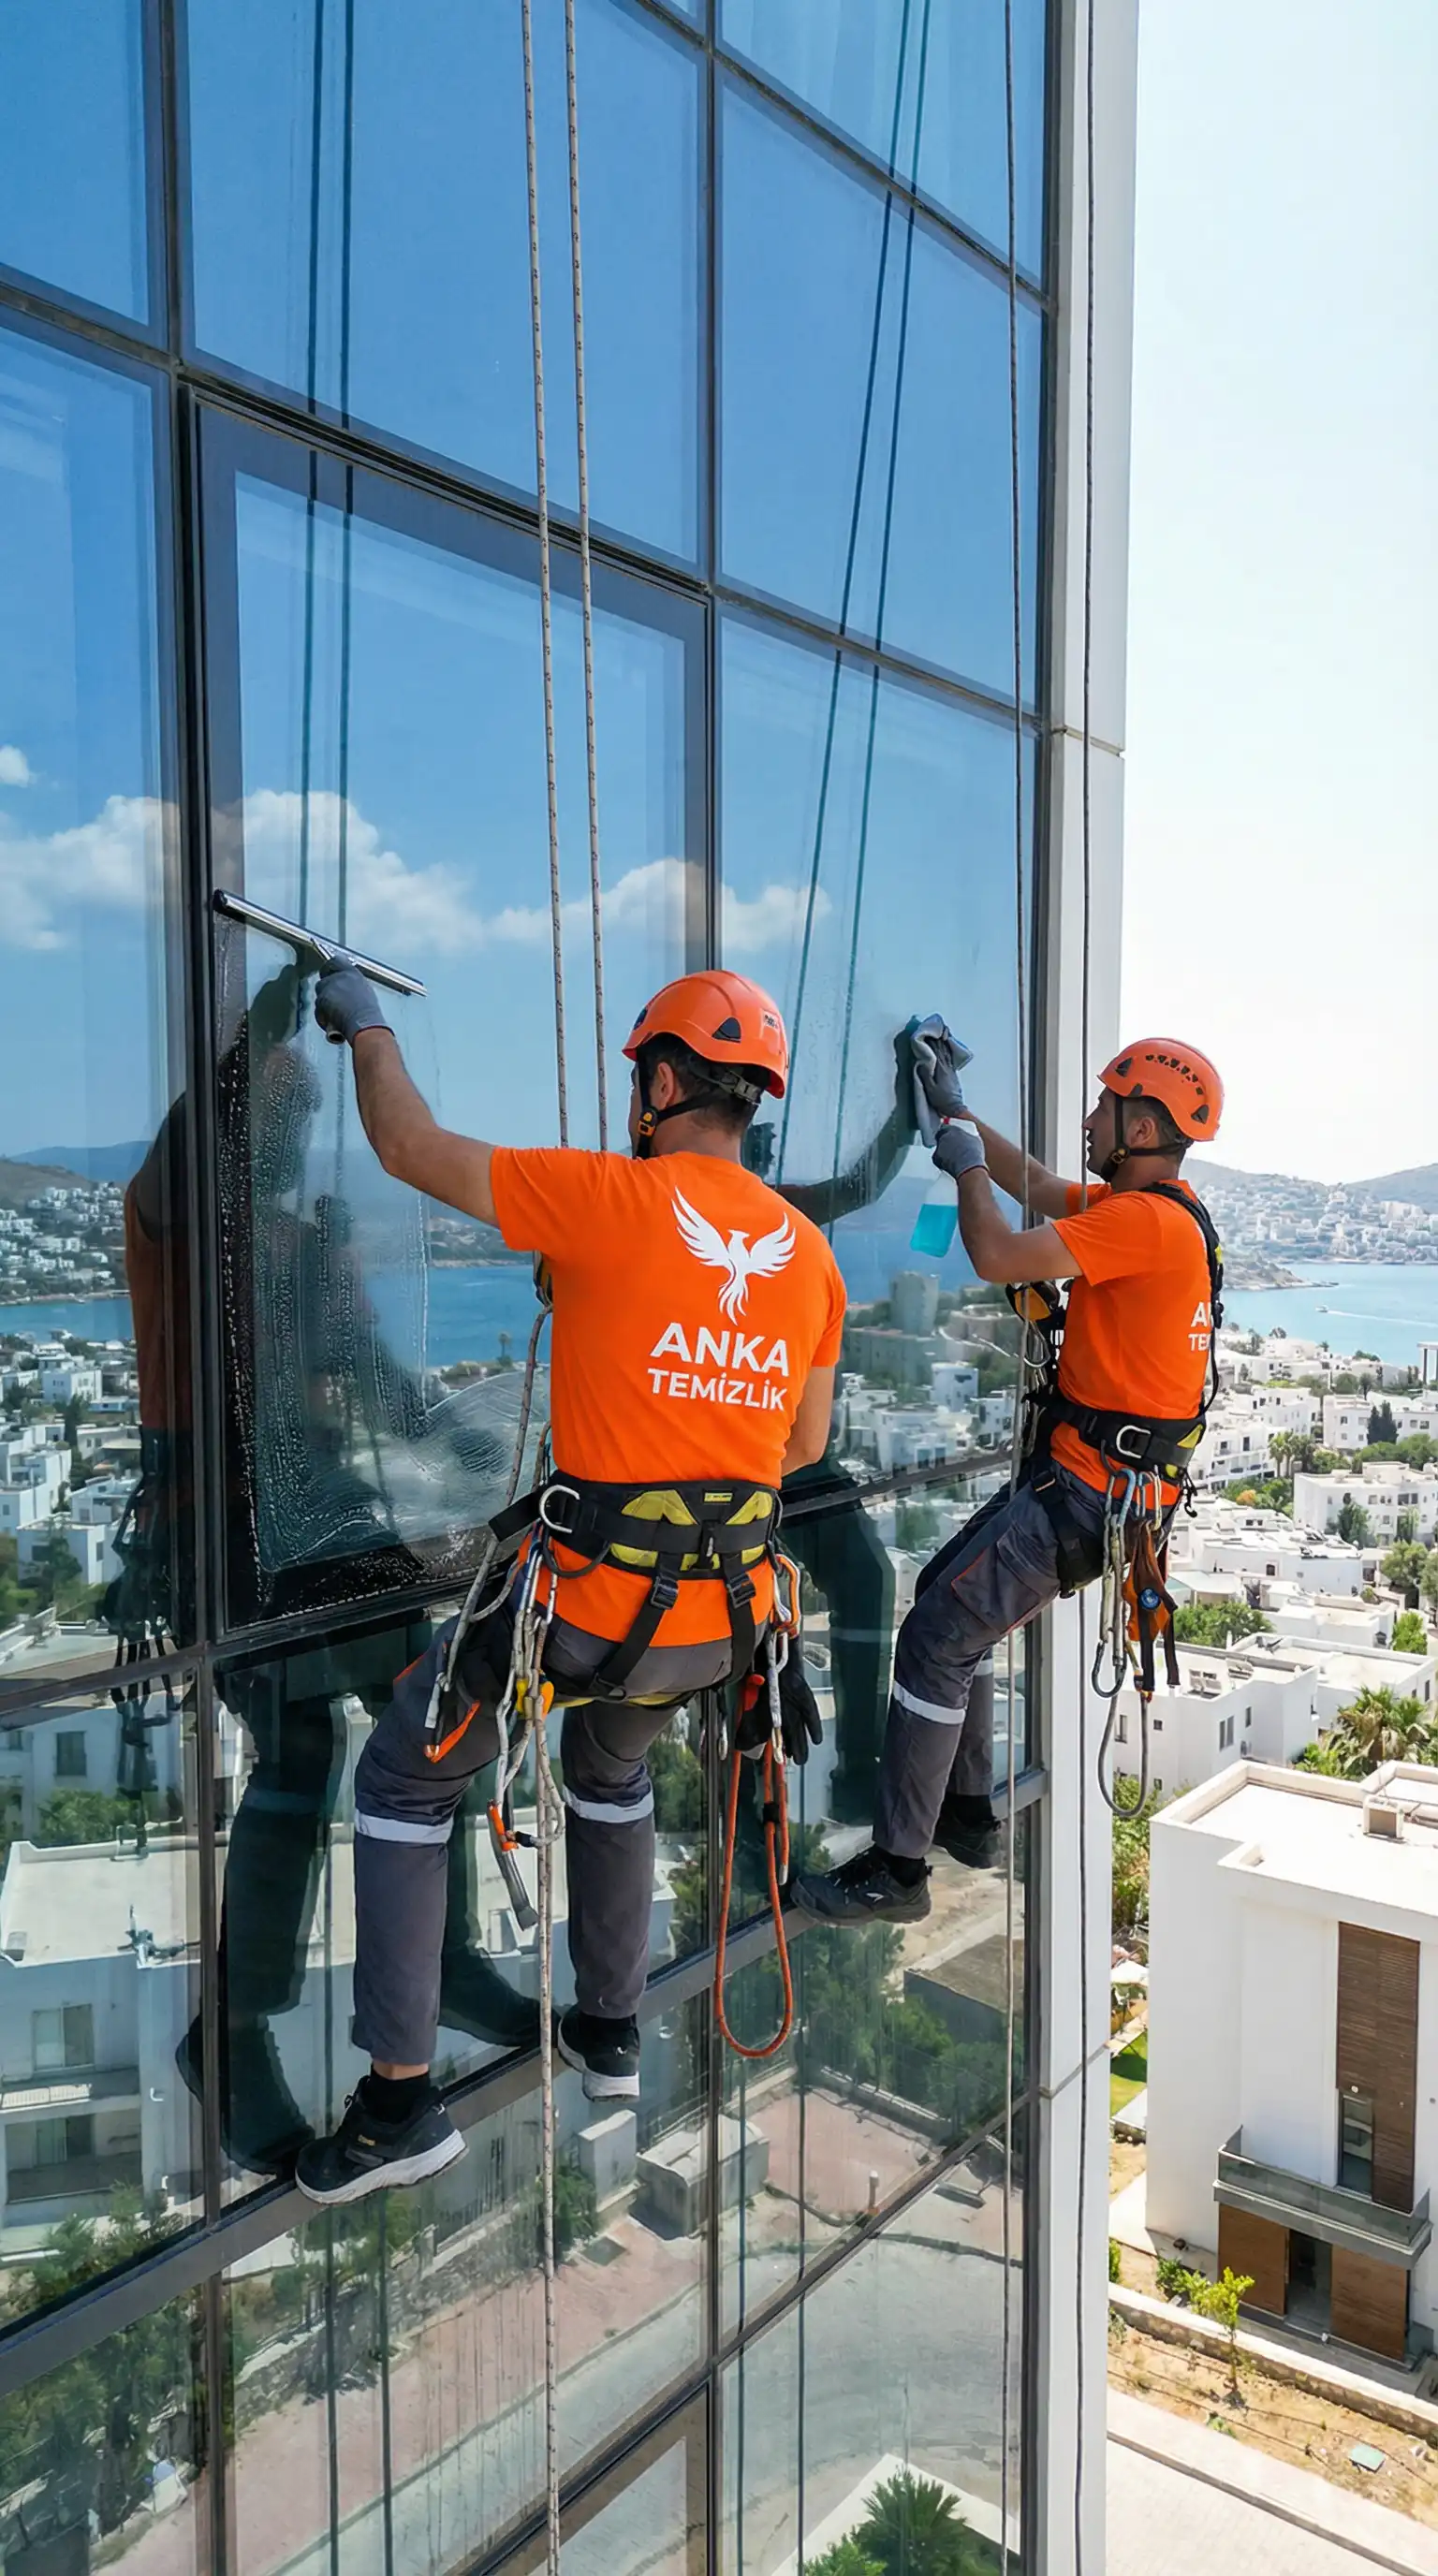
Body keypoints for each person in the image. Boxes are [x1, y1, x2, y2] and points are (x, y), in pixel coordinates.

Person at [296, 966, 845, 2203]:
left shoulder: (605, 1199)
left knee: (404, 1772)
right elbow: (799, 1444)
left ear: (657, 1085)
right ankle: (607, 2023)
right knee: (607, 1770)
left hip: (586, 1606)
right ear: (752, 1101)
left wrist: (363, 1021)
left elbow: (407, 1142)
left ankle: (397, 2100)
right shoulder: (809, 1257)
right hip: (717, 1625)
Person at [791, 1030, 1225, 1926]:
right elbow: (1029, 1180)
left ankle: (900, 1871)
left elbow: (993, 1248)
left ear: (1142, 1125)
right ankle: (969, 1809)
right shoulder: (1153, 1213)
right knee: (957, 1617)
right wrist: (954, 1114)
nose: (1089, 1119)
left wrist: (959, 1169)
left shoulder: (1141, 1225)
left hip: (1081, 1497)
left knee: (934, 1637)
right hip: (1093, 1497)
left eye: (1105, 1107)